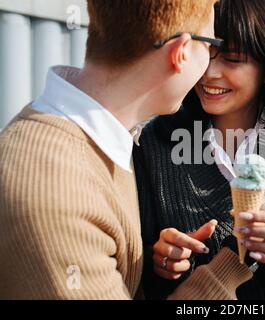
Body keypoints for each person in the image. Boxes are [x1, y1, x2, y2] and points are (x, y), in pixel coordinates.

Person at [0, 0, 252, 300]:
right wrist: (239, 255)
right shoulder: (54, 194)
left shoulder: (106, 141)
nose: (211, 67)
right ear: (181, 53)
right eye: (210, 47)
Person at [134, 0, 265, 300]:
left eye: (233, 59)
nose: (210, 73)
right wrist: (160, 261)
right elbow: (137, 266)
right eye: (206, 54)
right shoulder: (157, 140)